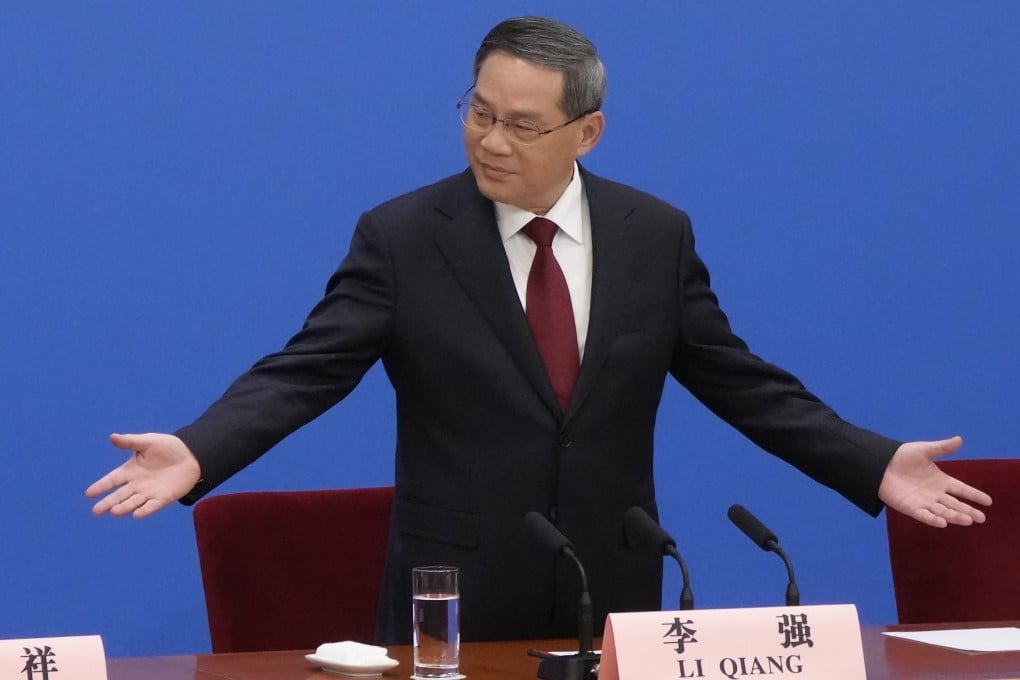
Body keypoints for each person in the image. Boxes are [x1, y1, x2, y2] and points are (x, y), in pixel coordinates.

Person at [86, 16, 991, 644]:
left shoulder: (655, 235)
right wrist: (199, 450)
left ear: (586, 132)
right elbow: (307, 369)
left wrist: (868, 461)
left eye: (522, 125)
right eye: (479, 113)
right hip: (455, 592)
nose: (491, 141)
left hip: (615, 581)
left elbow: (739, 379)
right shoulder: (404, 237)